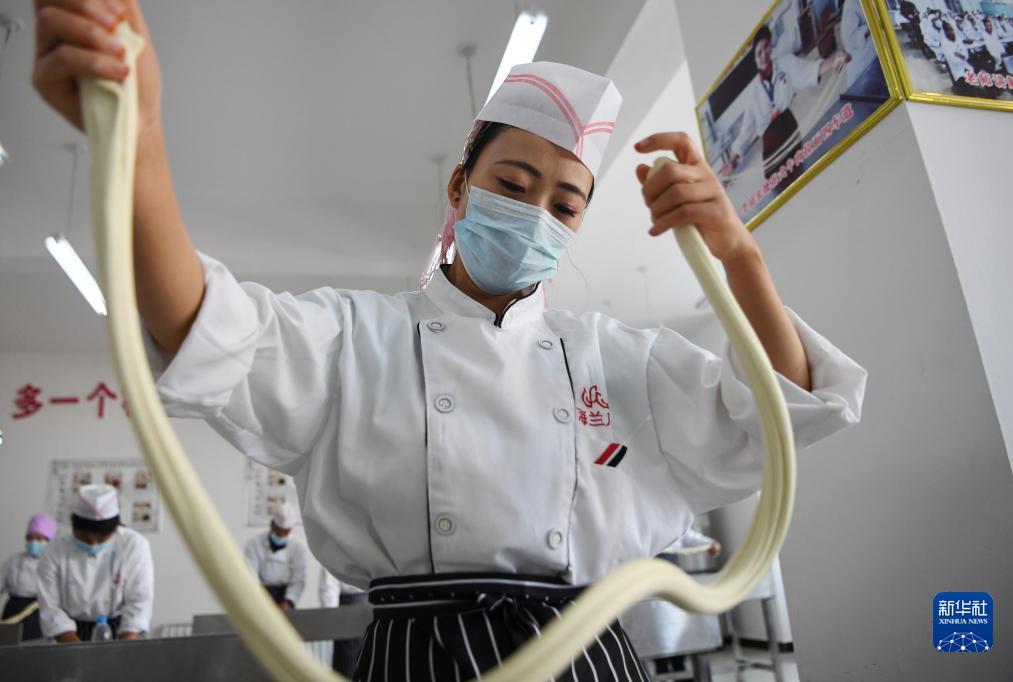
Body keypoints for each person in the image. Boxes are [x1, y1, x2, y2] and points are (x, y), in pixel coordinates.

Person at [31, 2, 866, 678]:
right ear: (460, 186)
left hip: (589, 659)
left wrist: (739, 255)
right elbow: (203, 325)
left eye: (565, 204)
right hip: (414, 658)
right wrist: (134, 142)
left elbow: (775, 415)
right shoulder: (356, 338)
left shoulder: (621, 358)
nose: (536, 212)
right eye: (512, 182)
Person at [724, 24, 849, 191]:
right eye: (758, 53)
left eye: (766, 47)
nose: (764, 56)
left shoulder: (786, 64)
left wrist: (834, 60)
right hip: (771, 146)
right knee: (781, 188)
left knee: (801, 174)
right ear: (754, 58)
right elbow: (745, 132)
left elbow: (810, 71)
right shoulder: (752, 95)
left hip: (789, 130)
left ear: (771, 45)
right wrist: (732, 162)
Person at [36, 484, 154, 642]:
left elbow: (139, 600)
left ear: (114, 530)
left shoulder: (133, 545)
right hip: (69, 634)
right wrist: (78, 652)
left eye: (101, 538)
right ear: (73, 526)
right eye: (84, 537)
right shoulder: (54, 550)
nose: (92, 543)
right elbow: (51, 608)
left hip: (120, 630)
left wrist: (124, 649)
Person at [0, 514, 56, 640]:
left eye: (39, 539)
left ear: (49, 540)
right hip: (14, 611)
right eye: (30, 538)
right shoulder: (13, 562)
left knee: (34, 650)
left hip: (39, 611)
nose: (33, 542)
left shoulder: (55, 564)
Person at [244, 503, 306, 610]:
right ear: (272, 525)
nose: (281, 535)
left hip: (285, 596)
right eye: (278, 530)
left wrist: (288, 602)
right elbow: (250, 575)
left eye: (285, 532)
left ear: (290, 530)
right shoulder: (254, 544)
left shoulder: (298, 547)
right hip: (259, 596)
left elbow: (299, 578)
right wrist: (260, 600)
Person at [319, 566, 367, 677]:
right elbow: (328, 589)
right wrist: (333, 620)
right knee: (347, 668)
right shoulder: (333, 552)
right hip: (346, 617)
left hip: (373, 608)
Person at [939, 21, 977, 97]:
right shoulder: (944, 42)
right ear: (945, 32)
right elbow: (953, 59)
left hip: (965, 66)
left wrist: (959, 54)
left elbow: (965, 54)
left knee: (972, 84)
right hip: (957, 69)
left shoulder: (957, 38)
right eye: (949, 30)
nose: (951, 31)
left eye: (952, 29)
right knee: (965, 86)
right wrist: (961, 55)